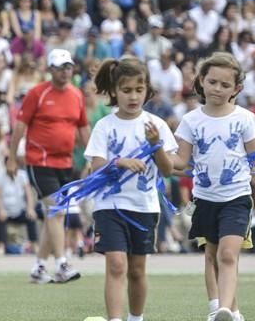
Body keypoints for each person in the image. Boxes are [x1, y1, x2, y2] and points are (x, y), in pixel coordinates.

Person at [173, 52, 255, 321]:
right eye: (212, 82)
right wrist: (156, 155)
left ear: (236, 89)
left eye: (225, 85)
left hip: (236, 197)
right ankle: (226, 311)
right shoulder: (190, 120)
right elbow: (180, 161)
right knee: (211, 256)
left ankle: (222, 311)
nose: (217, 89)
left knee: (227, 254)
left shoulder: (244, 118)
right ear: (201, 81)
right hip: (204, 198)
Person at [83, 58, 177, 321]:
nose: (133, 96)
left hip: (144, 206)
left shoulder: (156, 125)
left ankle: (136, 318)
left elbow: (169, 170)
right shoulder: (105, 126)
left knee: (137, 270)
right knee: (116, 265)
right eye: (126, 90)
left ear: (148, 90)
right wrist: (120, 162)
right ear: (114, 91)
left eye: (139, 89)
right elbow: (96, 168)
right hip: (109, 207)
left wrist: (156, 145)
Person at [8, 48, 90, 284]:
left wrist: (94, 158)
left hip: (65, 163)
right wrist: (12, 157)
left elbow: (83, 129)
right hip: (39, 161)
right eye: (59, 67)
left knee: (52, 215)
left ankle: (39, 266)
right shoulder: (38, 93)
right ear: (51, 69)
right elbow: (20, 127)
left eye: (68, 67)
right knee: (56, 211)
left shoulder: (76, 95)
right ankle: (62, 263)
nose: (64, 72)